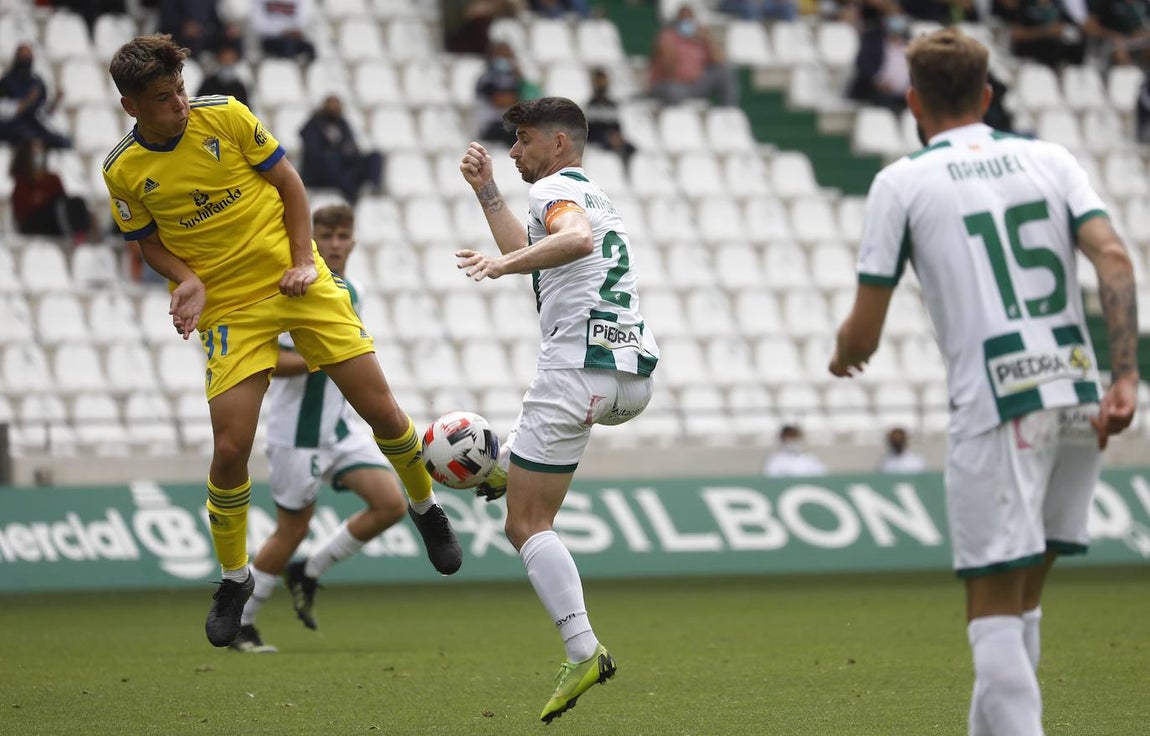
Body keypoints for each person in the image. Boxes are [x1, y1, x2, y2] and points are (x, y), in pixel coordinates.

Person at [102, 35, 461, 649]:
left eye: (181, 90)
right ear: (132, 107)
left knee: (381, 410)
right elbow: (149, 243)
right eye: (163, 98)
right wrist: (186, 279)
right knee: (230, 448)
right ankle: (235, 579)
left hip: (298, 278)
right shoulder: (122, 170)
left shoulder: (228, 116)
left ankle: (426, 509)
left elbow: (292, 186)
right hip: (228, 308)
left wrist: (301, 261)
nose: (180, 105)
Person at [829, 28, 1138, 736]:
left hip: (999, 405)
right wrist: (1126, 376)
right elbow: (1114, 260)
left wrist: (844, 354)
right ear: (988, 96)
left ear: (912, 101)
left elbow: (864, 333)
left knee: (992, 614)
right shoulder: (1051, 160)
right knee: (1022, 603)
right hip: (1077, 397)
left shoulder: (902, 182)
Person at [457, 97, 660, 722]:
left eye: (522, 141)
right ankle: (505, 467)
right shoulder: (593, 193)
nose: (514, 151)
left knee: (524, 524)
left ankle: (583, 650)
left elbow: (570, 240)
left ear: (559, 145)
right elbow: (544, 245)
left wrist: (498, 264)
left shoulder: (556, 195)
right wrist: (488, 190)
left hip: (575, 369)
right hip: (630, 375)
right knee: (524, 489)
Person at [232, 203, 407, 653]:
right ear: (312, 240)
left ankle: (308, 570)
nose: (333, 244)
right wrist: (323, 357)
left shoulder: (355, 290)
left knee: (391, 503)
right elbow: (269, 360)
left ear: (352, 241)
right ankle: (241, 624)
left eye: (341, 236)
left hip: (339, 429)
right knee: (291, 529)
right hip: (296, 432)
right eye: (324, 236)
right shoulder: (293, 287)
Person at [648, 5, 739, 107]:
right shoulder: (667, 37)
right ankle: (671, 120)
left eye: (689, 20)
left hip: (695, 85)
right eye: (683, 19)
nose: (687, 23)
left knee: (725, 72)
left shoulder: (699, 40)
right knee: (674, 92)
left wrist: (707, 39)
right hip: (670, 84)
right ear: (677, 21)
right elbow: (669, 67)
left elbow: (720, 60)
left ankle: (728, 113)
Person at [299, 95, 383, 205]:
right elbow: (315, 152)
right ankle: (351, 192)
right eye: (331, 105)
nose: (334, 108)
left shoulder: (343, 124)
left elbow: (352, 148)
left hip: (343, 166)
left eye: (337, 105)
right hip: (320, 173)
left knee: (375, 156)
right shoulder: (314, 125)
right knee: (331, 160)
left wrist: (345, 153)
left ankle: (372, 188)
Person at [10, 137, 92, 242]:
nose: (38, 156)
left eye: (41, 151)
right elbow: (22, 212)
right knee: (59, 208)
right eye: (35, 153)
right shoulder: (21, 181)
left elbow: (62, 198)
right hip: (34, 224)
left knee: (76, 202)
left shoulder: (53, 178)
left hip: (54, 221)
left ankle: (81, 235)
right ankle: (72, 234)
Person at [0, 44, 71, 149]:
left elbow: (44, 112)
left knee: (63, 142)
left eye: (28, 57)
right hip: (11, 126)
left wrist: (56, 101)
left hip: (32, 124)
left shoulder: (37, 82)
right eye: (23, 57)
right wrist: (28, 100)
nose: (26, 60)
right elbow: (4, 111)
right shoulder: (7, 81)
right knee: (30, 139)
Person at [474, 41, 538, 146]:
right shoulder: (486, 78)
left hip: (508, 123)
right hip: (491, 125)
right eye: (504, 55)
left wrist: (520, 79)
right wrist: (523, 97)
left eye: (509, 55)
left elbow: (528, 95)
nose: (507, 59)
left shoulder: (512, 78)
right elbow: (500, 101)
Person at [847, 12, 912, 113]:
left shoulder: (909, 44)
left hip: (905, 94)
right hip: (876, 91)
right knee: (886, 106)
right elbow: (862, 64)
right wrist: (878, 81)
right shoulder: (872, 40)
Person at [999, 0, 1086, 69]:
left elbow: (1073, 27)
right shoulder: (1025, 4)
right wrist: (1046, 31)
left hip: (1055, 54)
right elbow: (1016, 34)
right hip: (1029, 54)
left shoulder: (1058, 5)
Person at [585, 68, 636, 170]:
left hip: (612, 138)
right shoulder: (590, 106)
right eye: (600, 82)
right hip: (598, 139)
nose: (603, 85)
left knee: (631, 148)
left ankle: (627, 174)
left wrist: (616, 136)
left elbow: (617, 126)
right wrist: (608, 136)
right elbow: (590, 131)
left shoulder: (612, 105)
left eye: (604, 81)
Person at [250, 0, 316, 63]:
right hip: (270, 39)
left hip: (294, 38)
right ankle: (286, 71)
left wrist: (291, 31)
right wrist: (283, 32)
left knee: (309, 48)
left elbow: (303, 21)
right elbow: (258, 24)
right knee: (288, 46)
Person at [761, 424, 829, 477]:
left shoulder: (810, 459)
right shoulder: (775, 460)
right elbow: (770, 478)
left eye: (794, 436)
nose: (791, 440)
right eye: (788, 437)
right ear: (782, 438)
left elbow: (823, 475)